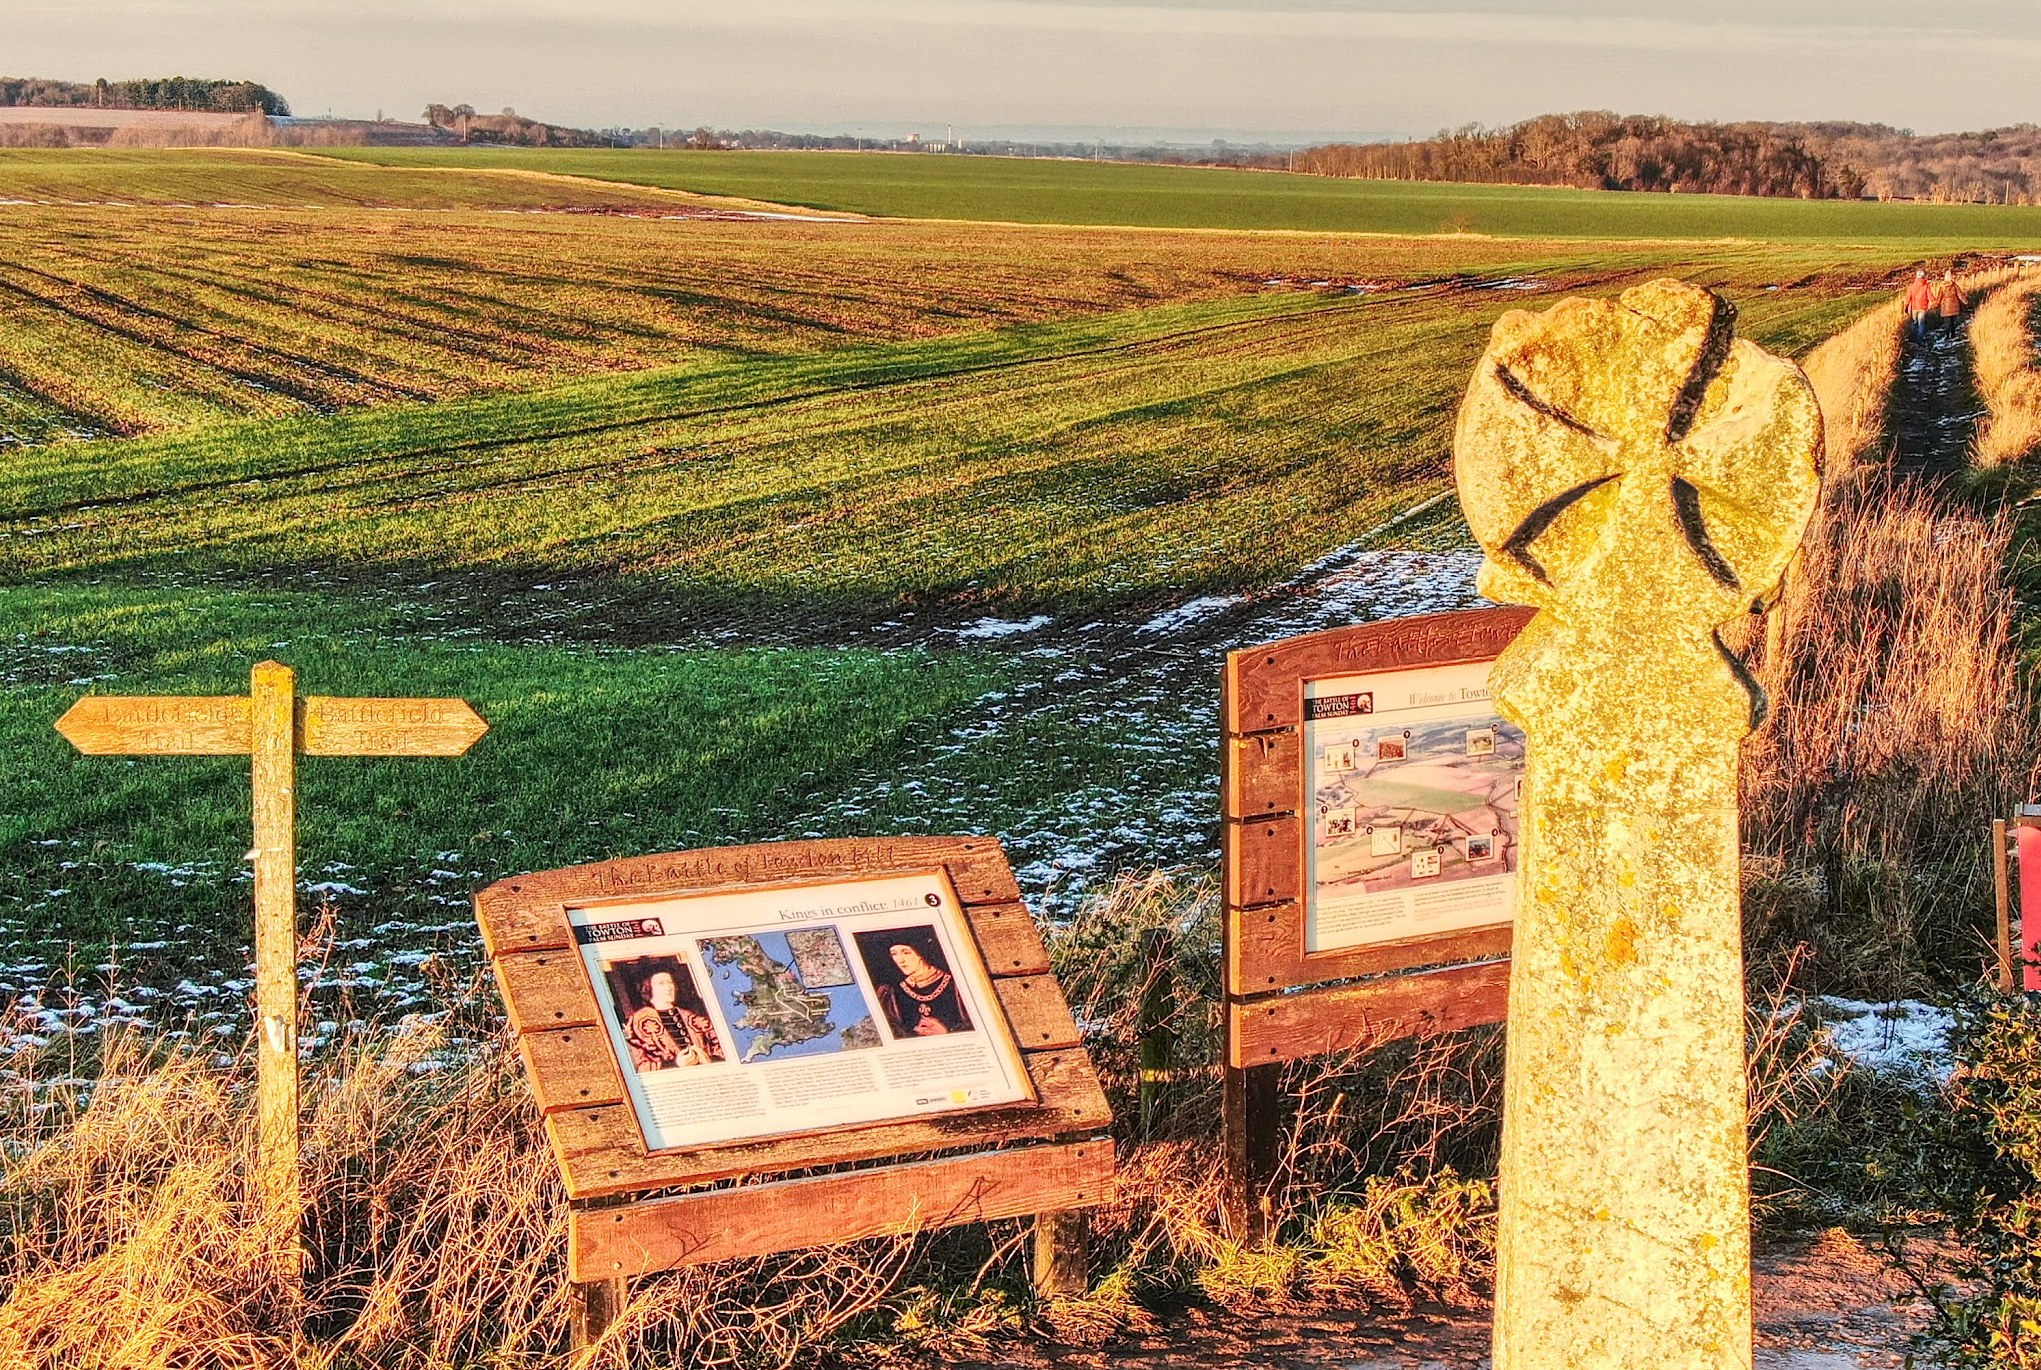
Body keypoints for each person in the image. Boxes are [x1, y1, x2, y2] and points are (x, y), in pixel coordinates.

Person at [625, 967, 724, 1070]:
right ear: (647, 987)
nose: (669, 988)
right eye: (661, 983)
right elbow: (639, 1065)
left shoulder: (691, 1016)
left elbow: (721, 1049)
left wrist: (707, 1059)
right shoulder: (637, 1021)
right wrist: (675, 1064)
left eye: (670, 982)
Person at [874, 941, 973, 1037]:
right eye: (894, 954)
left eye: (906, 952)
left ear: (920, 952)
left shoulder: (956, 985)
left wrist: (948, 1033)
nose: (900, 960)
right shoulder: (891, 992)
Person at [1904, 269, 1936, 339]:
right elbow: (1930, 295)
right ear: (1923, 276)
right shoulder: (1926, 286)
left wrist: (1905, 307)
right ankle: (1920, 338)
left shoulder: (1912, 286)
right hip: (1923, 307)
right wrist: (1935, 302)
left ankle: (1914, 338)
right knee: (1921, 324)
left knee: (1914, 323)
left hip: (1914, 308)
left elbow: (1908, 297)